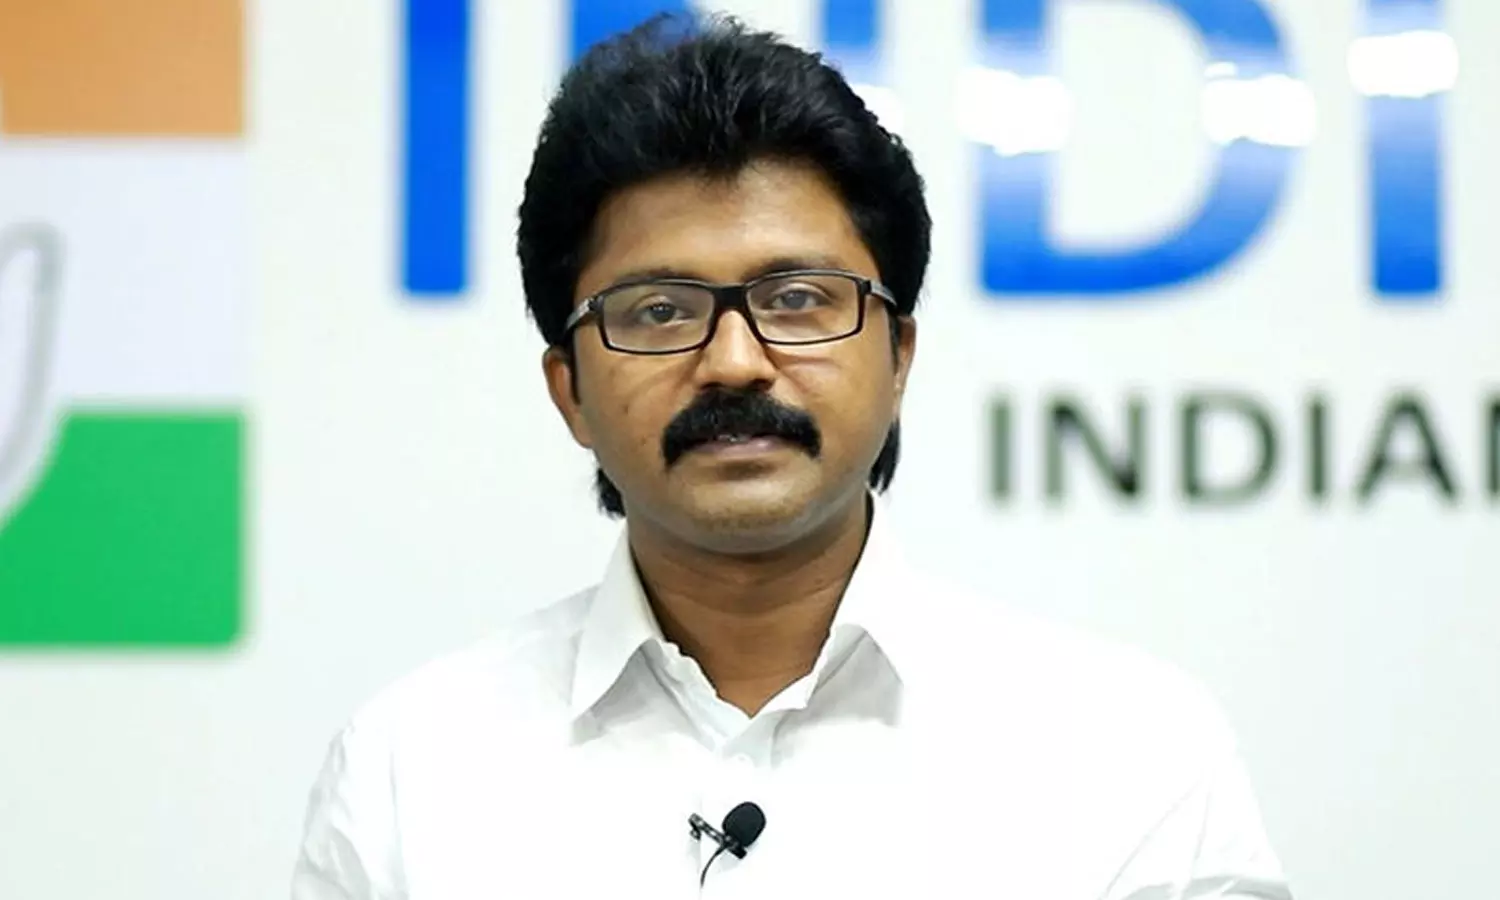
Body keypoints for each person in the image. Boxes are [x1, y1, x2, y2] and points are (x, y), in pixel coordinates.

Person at [292, 15, 1291, 899]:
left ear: (898, 357)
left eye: (798, 299)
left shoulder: (1130, 754)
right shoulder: (410, 770)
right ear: (570, 391)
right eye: (659, 311)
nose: (734, 361)